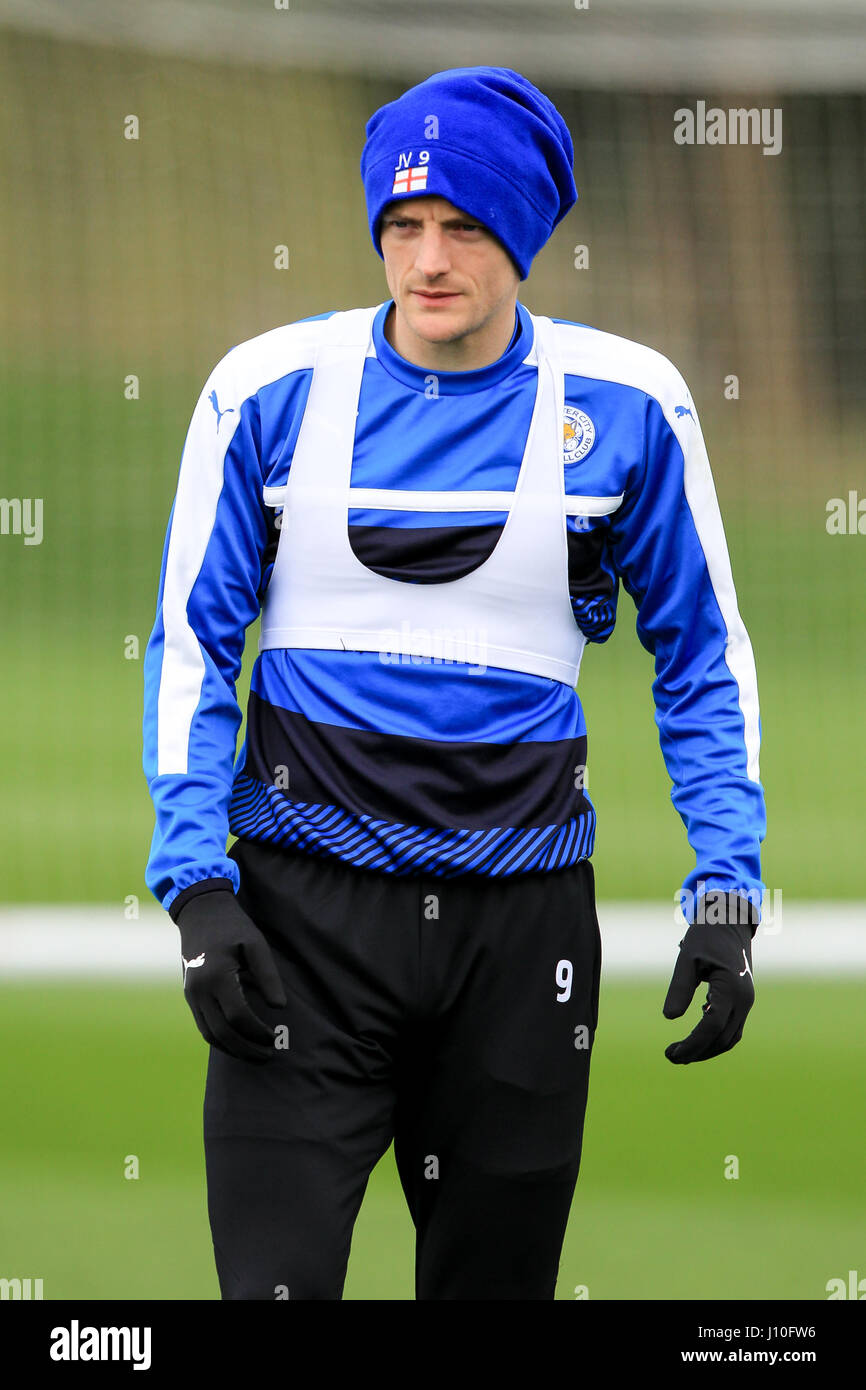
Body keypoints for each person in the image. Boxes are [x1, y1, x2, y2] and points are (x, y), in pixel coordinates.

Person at [142, 66, 766, 1301]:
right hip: (299, 929)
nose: (427, 260)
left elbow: (700, 656)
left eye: (464, 228)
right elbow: (191, 644)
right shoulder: (264, 393)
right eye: (402, 226)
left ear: (524, 237)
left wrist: (726, 893)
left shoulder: (630, 407)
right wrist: (195, 887)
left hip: (519, 938)